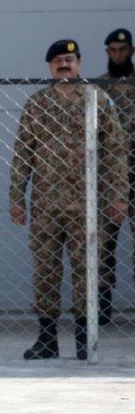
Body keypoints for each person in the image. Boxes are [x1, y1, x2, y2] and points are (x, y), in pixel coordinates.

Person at [10, 39, 126, 361]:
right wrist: (17, 197)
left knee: (86, 272)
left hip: (88, 206)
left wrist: (118, 196)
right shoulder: (37, 104)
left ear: (79, 63)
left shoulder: (96, 100)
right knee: (45, 272)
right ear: (50, 65)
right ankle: (47, 338)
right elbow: (23, 154)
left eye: (70, 60)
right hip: (46, 205)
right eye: (58, 60)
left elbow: (116, 152)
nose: (64, 65)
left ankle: (84, 341)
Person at [98, 28, 135, 323]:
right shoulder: (99, 89)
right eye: (113, 50)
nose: (118, 55)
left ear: (131, 52)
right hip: (107, 177)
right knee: (101, 244)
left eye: (123, 50)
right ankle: (101, 306)